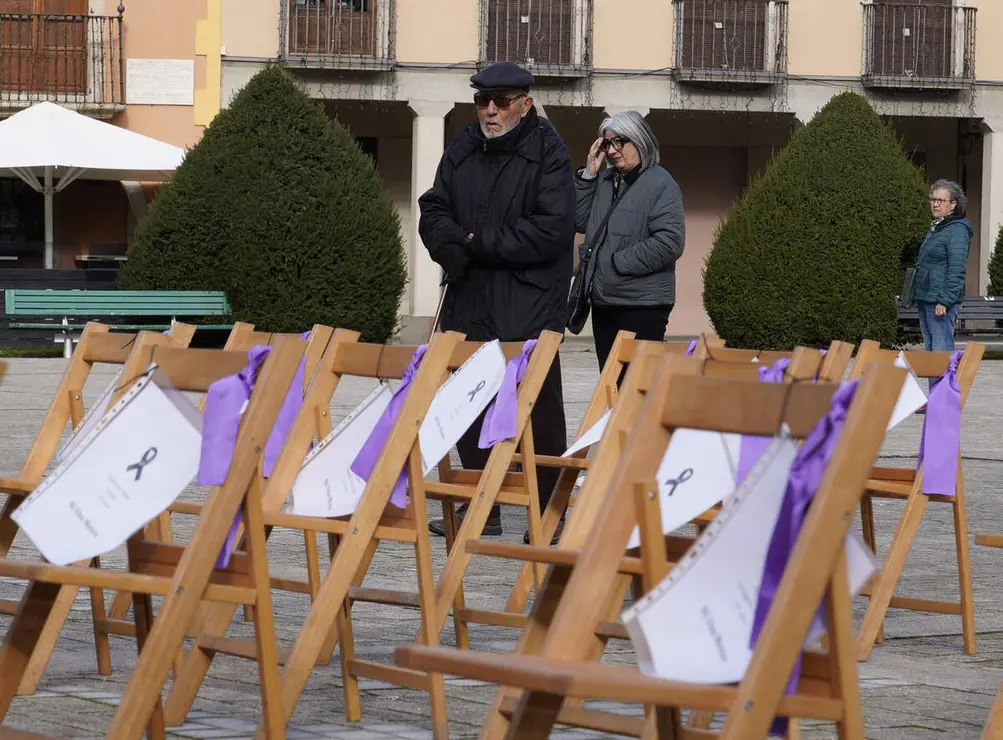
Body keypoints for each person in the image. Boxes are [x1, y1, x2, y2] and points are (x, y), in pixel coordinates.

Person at [418, 61, 575, 541]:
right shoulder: (463, 145)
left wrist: (473, 242)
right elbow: (433, 207)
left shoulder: (549, 152)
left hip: (527, 304)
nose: (490, 110)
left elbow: (550, 230)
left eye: (502, 102)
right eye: (483, 101)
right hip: (469, 299)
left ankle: (548, 510)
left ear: (525, 104)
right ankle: (479, 504)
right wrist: (451, 244)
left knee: (537, 411)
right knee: (466, 403)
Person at [575, 110, 685, 371]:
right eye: (607, 143)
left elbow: (670, 242)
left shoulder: (661, 183)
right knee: (610, 385)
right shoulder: (604, 181)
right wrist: (590, 174)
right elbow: (580, 221)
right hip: (604, 301)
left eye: (618, 142)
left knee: (637, 387)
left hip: (642, 304)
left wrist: (615, 263)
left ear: (639, 140)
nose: (612, 151)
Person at [914, 179, 971, 354]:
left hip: (940, 303)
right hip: (927, 298)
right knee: (931, 355)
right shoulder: (939, 227)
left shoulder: (957, 230)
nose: (935, 204)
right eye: (933, 200)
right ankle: (937, 383)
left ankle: (943, 383)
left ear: (953, 204)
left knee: (940, 354)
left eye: (941, 201)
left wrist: (945, 300)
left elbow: (957, 269)